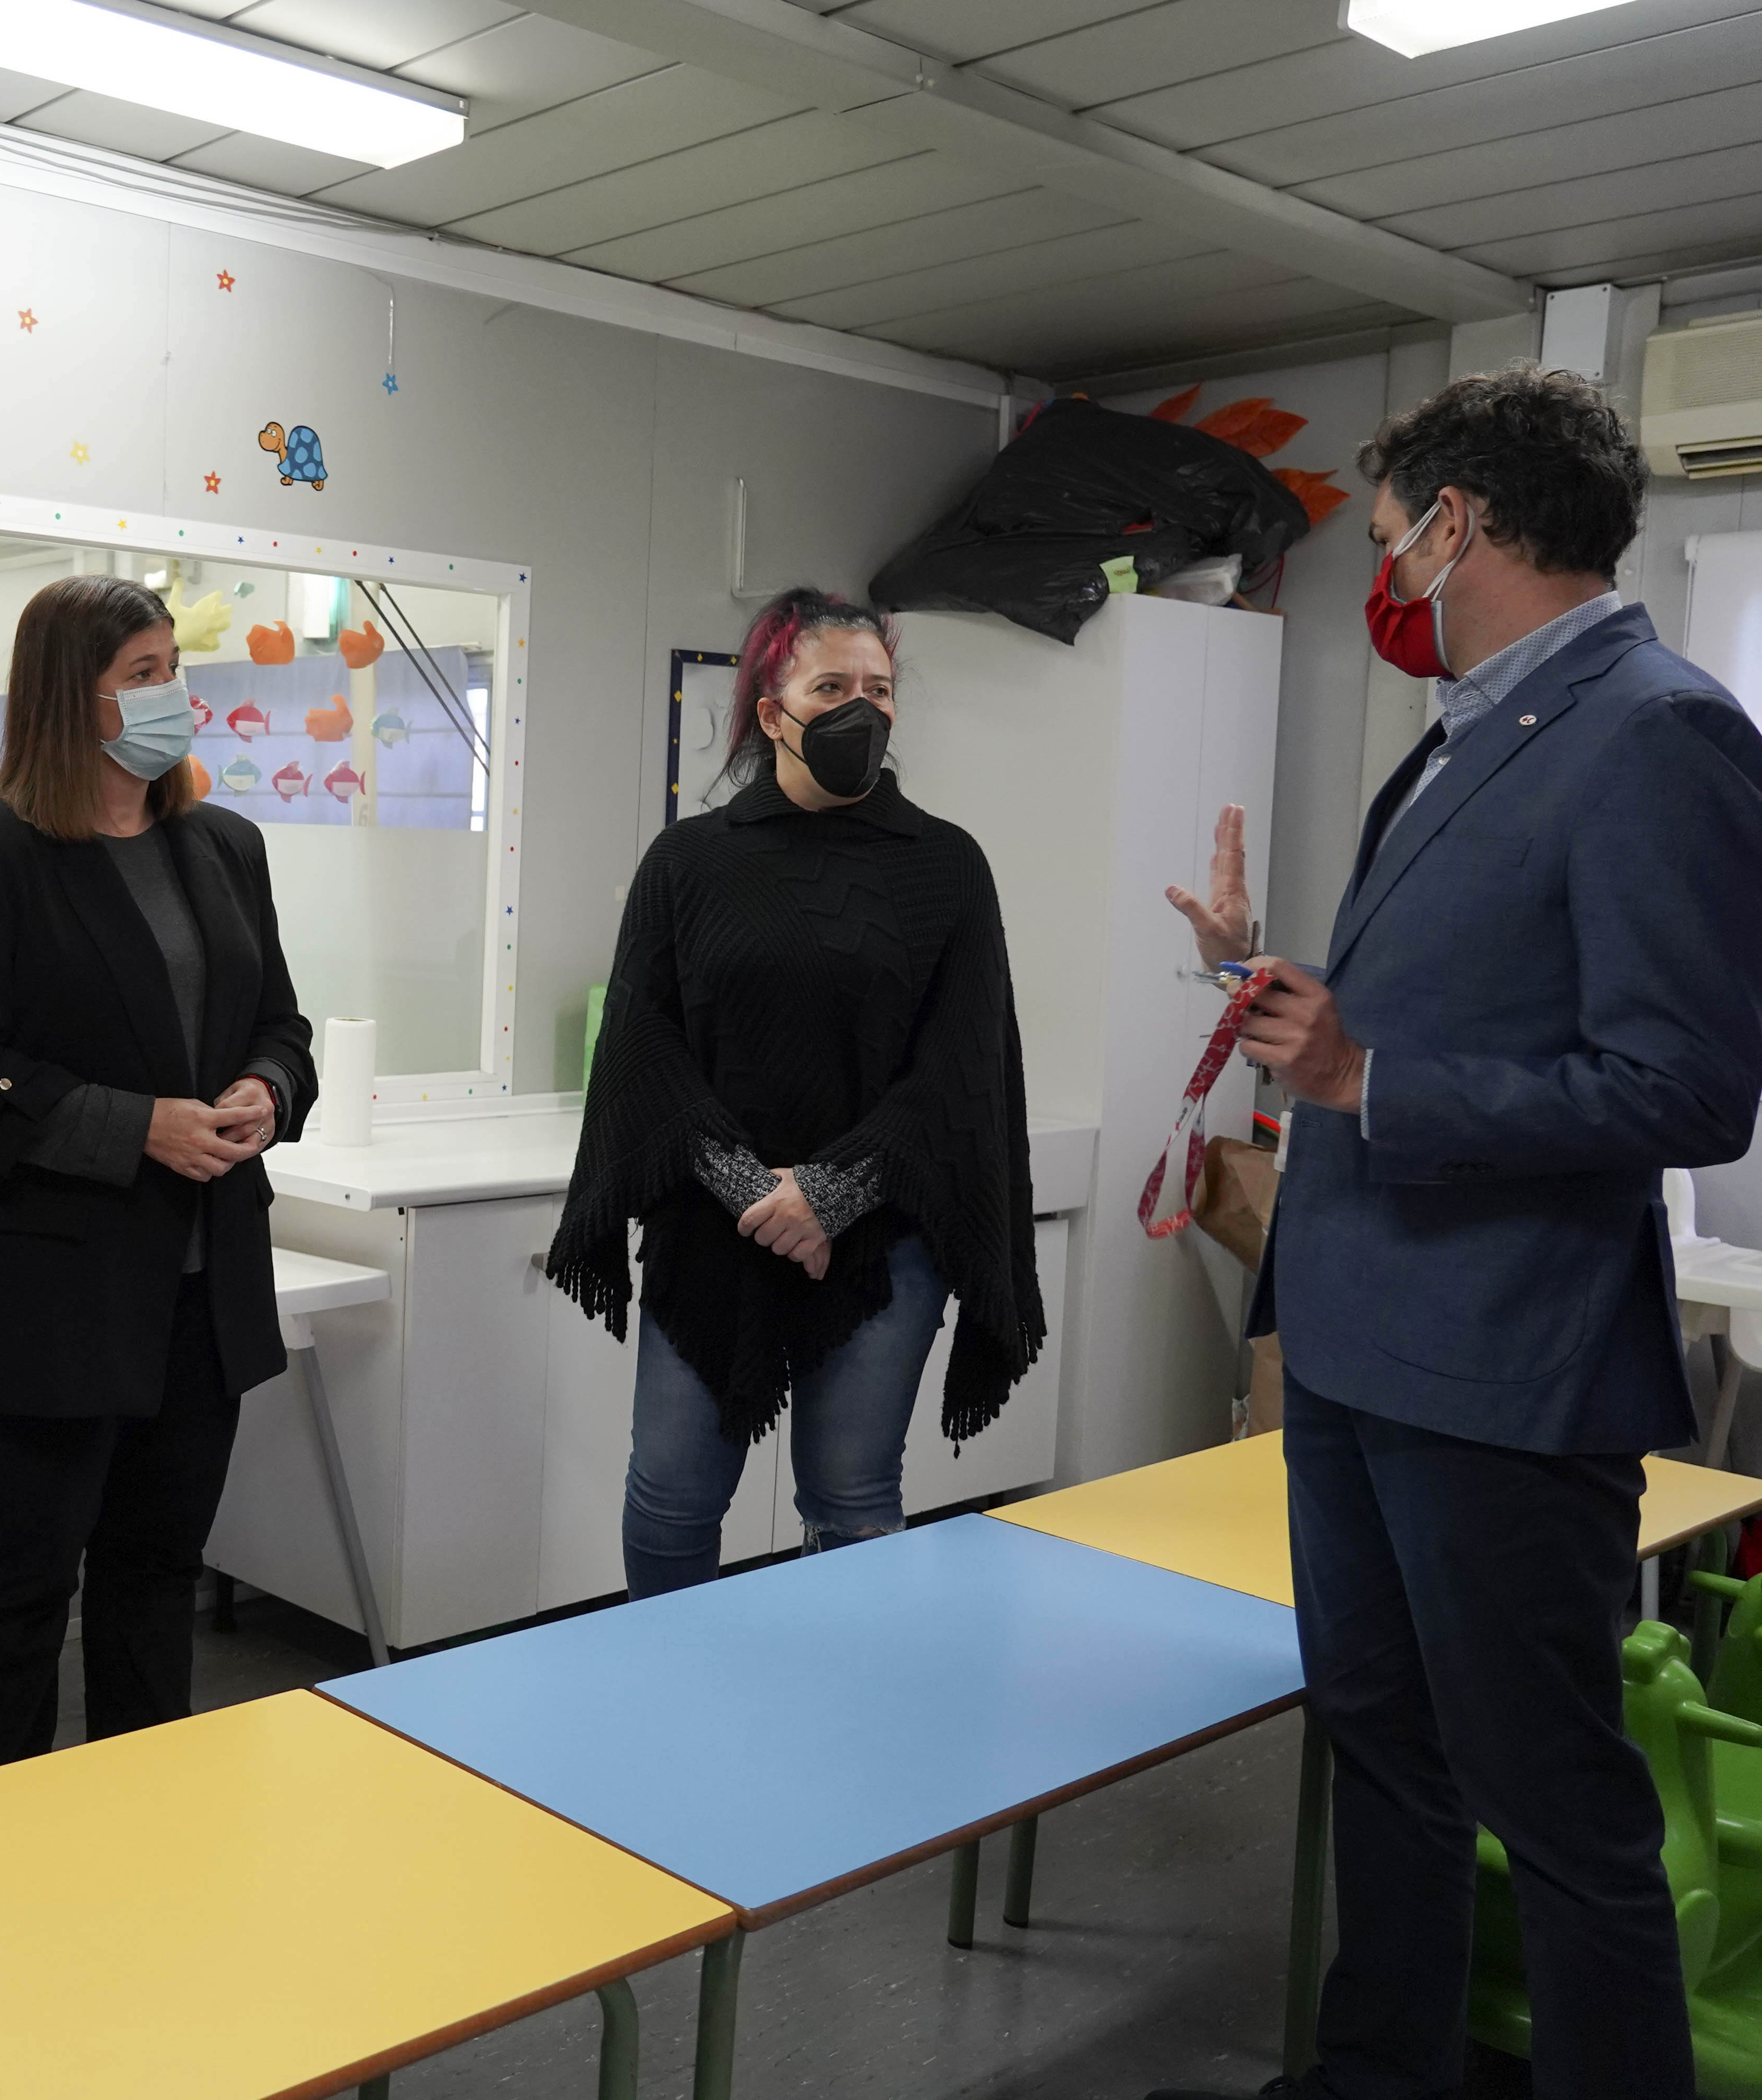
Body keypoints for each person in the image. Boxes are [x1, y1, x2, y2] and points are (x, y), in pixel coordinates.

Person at [1147, 368, 1762, 2100]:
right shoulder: (1471, 728)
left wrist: (1369, 1076)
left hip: (1503, 1367)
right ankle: (1377, 2077)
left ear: (1460, 522)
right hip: (1361, 1343)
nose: (1385, 564)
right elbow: (1445, 1013)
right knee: (1383, 1747)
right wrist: (1266, 983)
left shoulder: (1660, 733)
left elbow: (1685, 1090)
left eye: (1390, 529)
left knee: (1555, 1807)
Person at [0, 574, 315, 1773]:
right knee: (21, 1593)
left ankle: (139, 1835)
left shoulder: (223, 845)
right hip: (42, 1301)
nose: (175, 692)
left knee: (155, 1581)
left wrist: (268, 1087)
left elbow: (280, 1024)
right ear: (67, 695)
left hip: (199, 1294)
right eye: (144, 673)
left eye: (173, 666)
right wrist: (138, 1128)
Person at [547, 586, 1042, 1594]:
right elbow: (643, 1052)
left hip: (884, 1234)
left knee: (852, 1499)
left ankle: (833, 1693)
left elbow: (963, 1065)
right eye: (832, 688)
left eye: (880, 689)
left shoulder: (947, 866)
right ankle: (669, 1678)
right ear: (773, 712)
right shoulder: (689, 862)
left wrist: (830, 1194)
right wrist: (755, 1193)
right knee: (672, 1496)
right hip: (712, 1226)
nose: (863, 708)